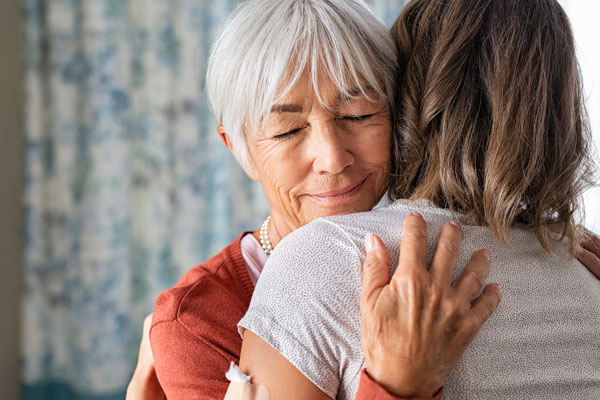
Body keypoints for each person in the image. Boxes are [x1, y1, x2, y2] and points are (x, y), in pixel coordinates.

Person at [126, 0, 600, 398]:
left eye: (358, 114)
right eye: (288, 129)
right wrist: (398, 384)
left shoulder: (471, 247)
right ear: (240, 150)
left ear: (406, 113)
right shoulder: (197, 321)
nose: (332, 158)